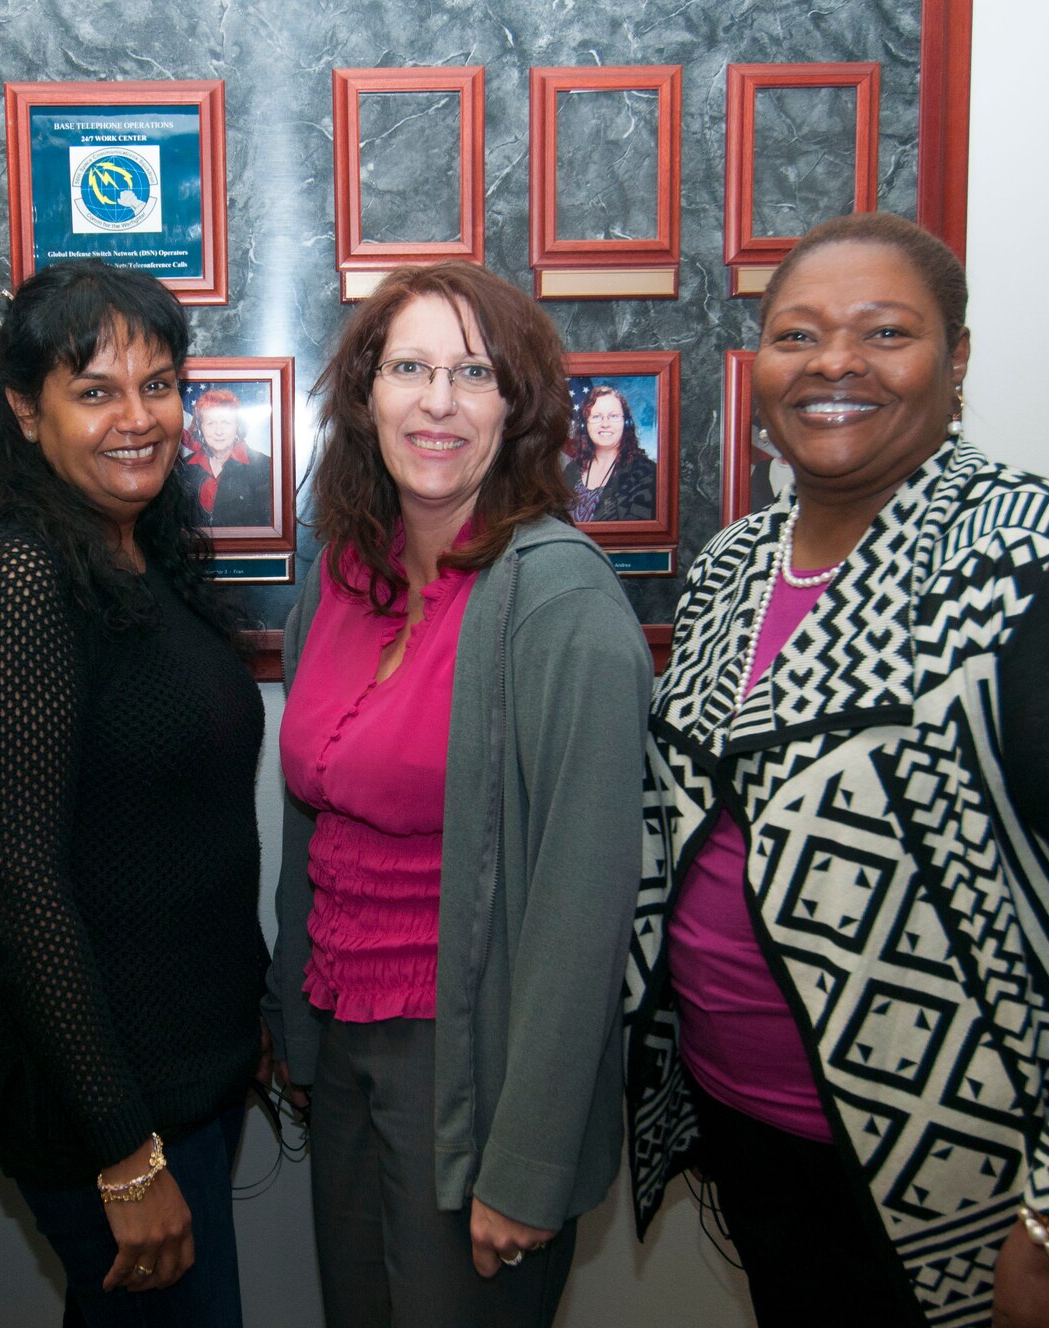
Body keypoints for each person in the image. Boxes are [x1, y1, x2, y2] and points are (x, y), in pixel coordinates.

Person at [627, 212, 1049, 1328]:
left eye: (884, 331)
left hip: (1006, 1178)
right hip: (767, 1136)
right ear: (758, 361)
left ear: (954, 360)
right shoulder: (732, 563)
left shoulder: (1042, 551)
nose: (833, 362)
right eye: (796, 335)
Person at [265, 261, 649, 1328]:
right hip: (343, 1042)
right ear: (364, 397)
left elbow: (584, 906)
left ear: (516, 409)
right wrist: (297, 1030)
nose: (436, 400)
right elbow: (313, 830)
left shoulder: (558, 594)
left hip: (475, 1062)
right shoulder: (339, 577)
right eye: (408, 367)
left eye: (471, 372)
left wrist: (524, 1159)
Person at [0, 259, 266, 1326]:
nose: (137, 417)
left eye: (157, 384)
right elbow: (13, 885)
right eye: (96, 389)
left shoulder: (139, 556)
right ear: (26, 412)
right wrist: (123, 1152)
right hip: (108, 1101)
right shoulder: (16, 574)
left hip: (184, 1069)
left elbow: (173, 830)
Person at [561, 384, 654, 522]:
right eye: (596, 416)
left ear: (626, 423)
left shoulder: (645, 472)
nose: (605, 424)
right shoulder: (572, 469)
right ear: (584, 425)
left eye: (613, 416)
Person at [180, 387, 271, 527]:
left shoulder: (265, 467)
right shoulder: (183, 469)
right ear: (200, 428)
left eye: (226, 423)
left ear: (238, 427)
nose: (218, 431)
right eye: (210, 423)